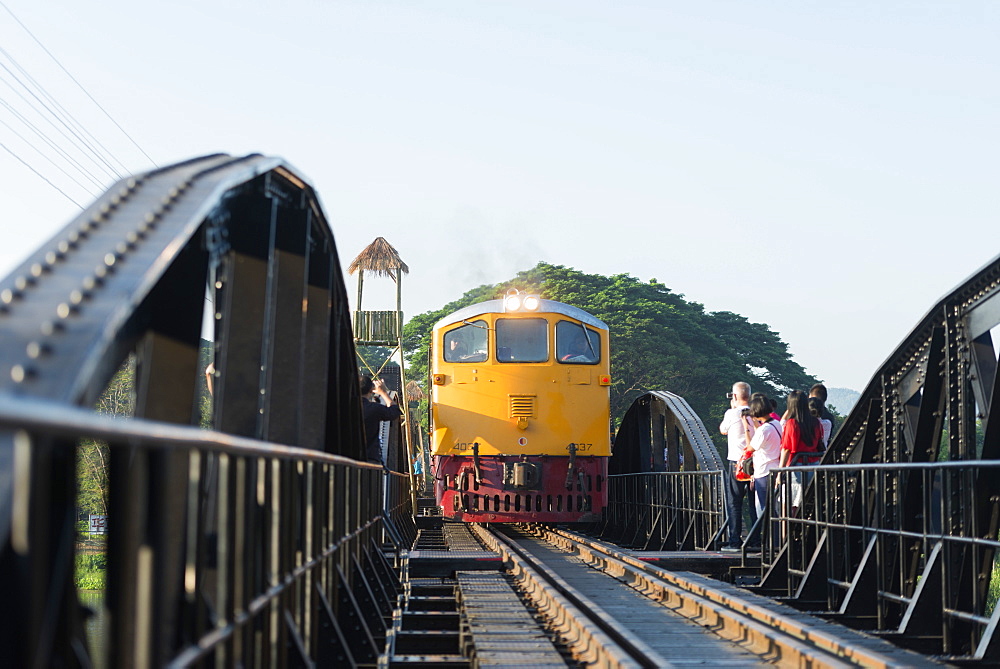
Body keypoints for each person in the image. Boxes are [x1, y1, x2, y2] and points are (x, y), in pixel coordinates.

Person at [719, 381, 756, 551]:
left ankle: (735, 540)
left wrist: (732, 407)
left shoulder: (731, 413)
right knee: (754, 502)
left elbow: (723, 430)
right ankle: (756, 540)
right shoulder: (757, 413)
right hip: (756, 463)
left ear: (734, 396)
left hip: (737, 463)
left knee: (735, 502)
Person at [779, 389, 823, 515]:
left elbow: (786, 448)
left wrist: (780, 471)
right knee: (807, 502)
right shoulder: (816, 422)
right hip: (813, 465)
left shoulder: (792, 423)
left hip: (796, 466)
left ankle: (786, 534)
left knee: (787, 506)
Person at [747, 395, 782, 518]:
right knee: (775, 509)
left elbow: (750, 448)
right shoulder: (777, 424)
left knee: (766, 509)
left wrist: (746, 427)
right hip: (776, 468)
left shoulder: (763, 430)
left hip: (763, 471)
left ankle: (771, 536)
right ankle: (777, 536)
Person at [360, 375, 402, 465]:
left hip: (344, 461)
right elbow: (394, 412)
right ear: (371, 389)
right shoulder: (374, 409)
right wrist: (384, 393)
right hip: (369, 461)